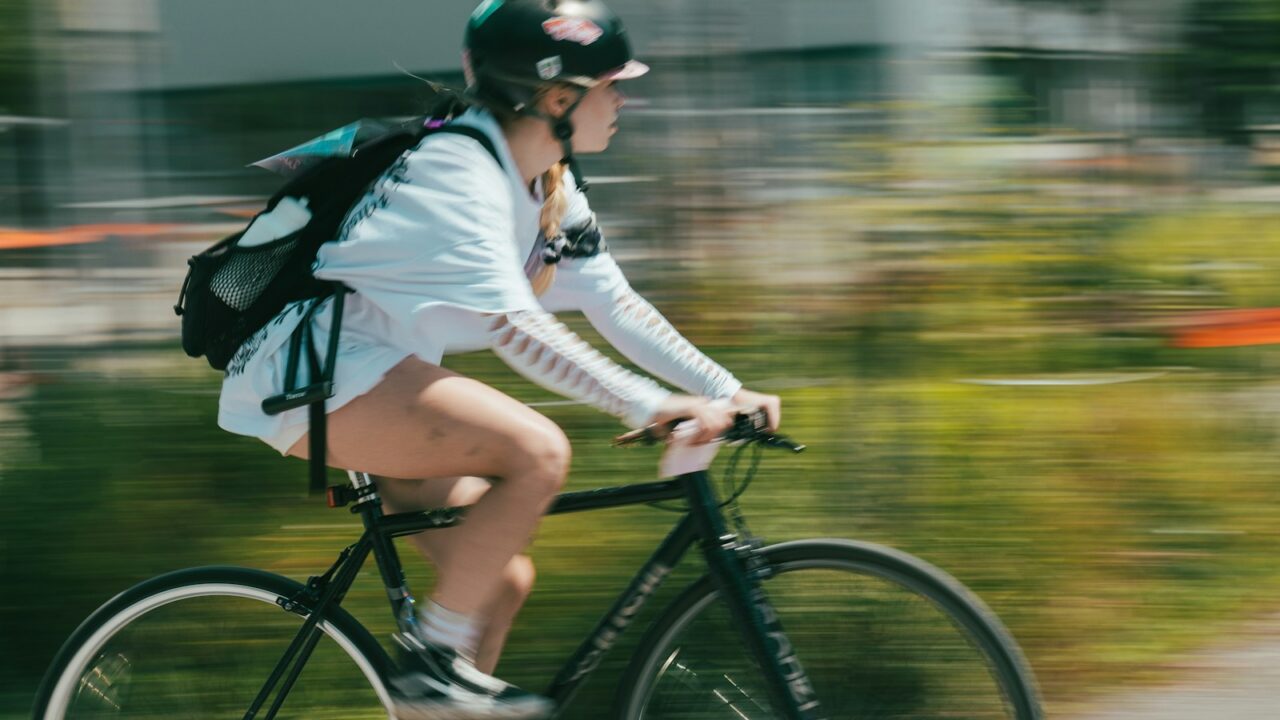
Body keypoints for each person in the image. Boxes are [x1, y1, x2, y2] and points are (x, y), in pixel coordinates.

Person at [217, 0, 781, 717]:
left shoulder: (546, 181)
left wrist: (724, 389)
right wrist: (649, 404)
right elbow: (515, 329)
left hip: (374, 374)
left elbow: (616, 305)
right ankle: (429, 666)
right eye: (610, 83)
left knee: (497, 583)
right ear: (555, 97)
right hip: (309, 375)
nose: (624, 97)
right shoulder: (456, 170)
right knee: (536, 451)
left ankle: (435, 684)